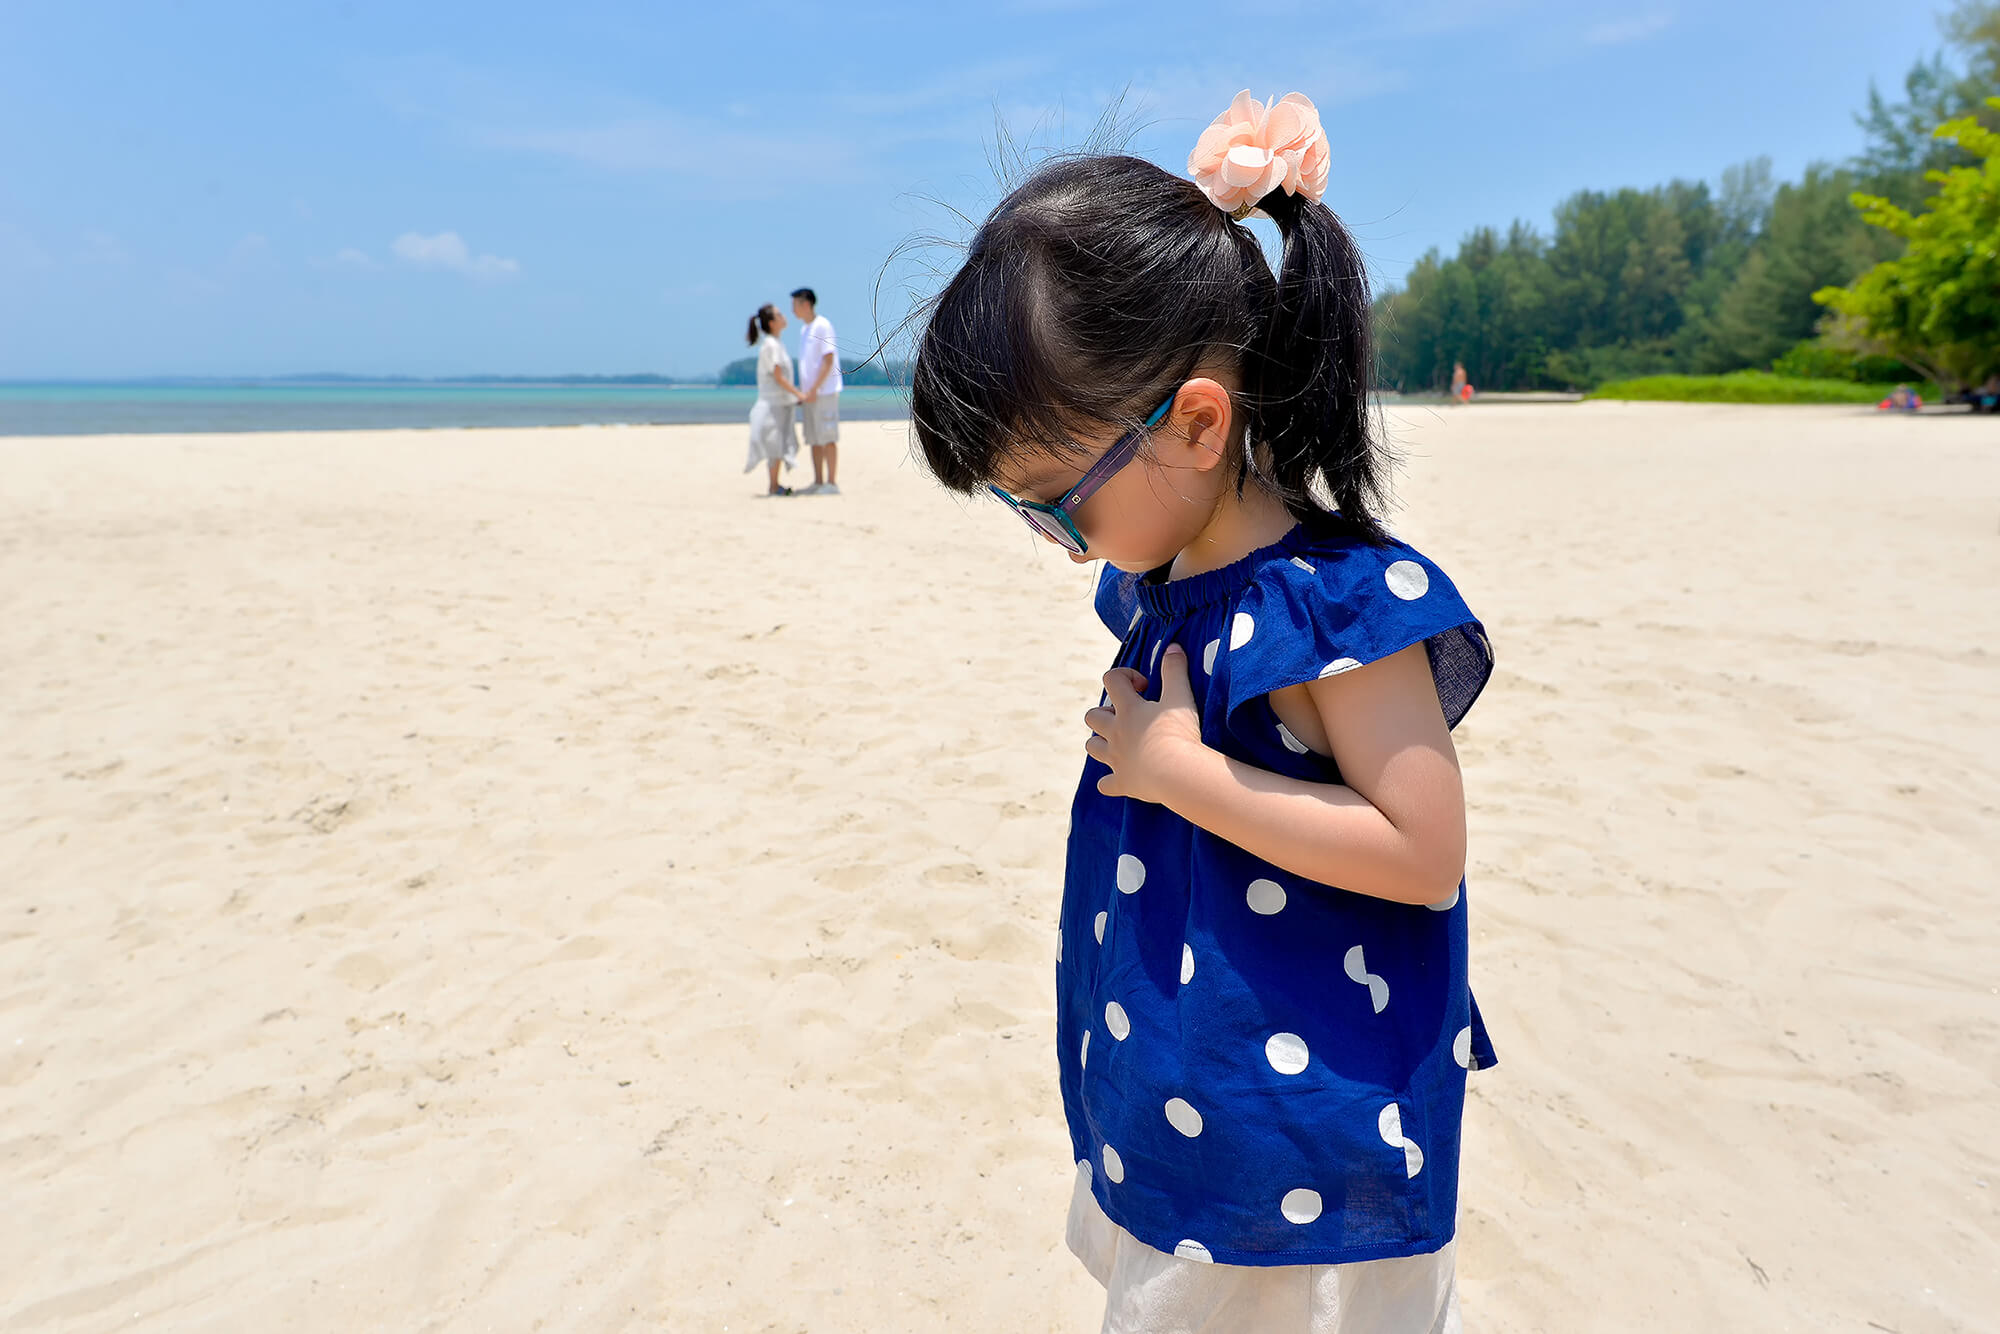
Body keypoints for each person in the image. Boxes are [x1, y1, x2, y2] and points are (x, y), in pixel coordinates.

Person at [908, 90, 1494, 1332]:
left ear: (1192, 420)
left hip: (1302, 1142)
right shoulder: (1164, 583)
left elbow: (1422, 850)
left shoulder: (1336, 607)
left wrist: (1181, 772)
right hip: (1180, 1077)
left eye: (1055, 504)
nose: (1063, 550)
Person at [744, 303, 802, 496]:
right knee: (775, 444)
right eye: (779, 314)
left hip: (777, 403)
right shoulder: (771, 345)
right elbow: (778, 376)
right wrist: (798, 394)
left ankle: (774, 484)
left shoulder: (774, 344)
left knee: (776, 444)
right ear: (772, 323)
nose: (784, 316)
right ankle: (773, 486)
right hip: (772, 404)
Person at [791, 288, 844, 494]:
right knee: (813, 438)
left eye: (794, 304)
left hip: (825, 392)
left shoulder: (823, 325)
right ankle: (819, 481)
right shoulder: (805, 329)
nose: (793, 310)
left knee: (828, 437)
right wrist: (804, 390)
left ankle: (831, 482)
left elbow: (828, 359)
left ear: (806, 304)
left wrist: (814, 388)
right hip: (809, 394)